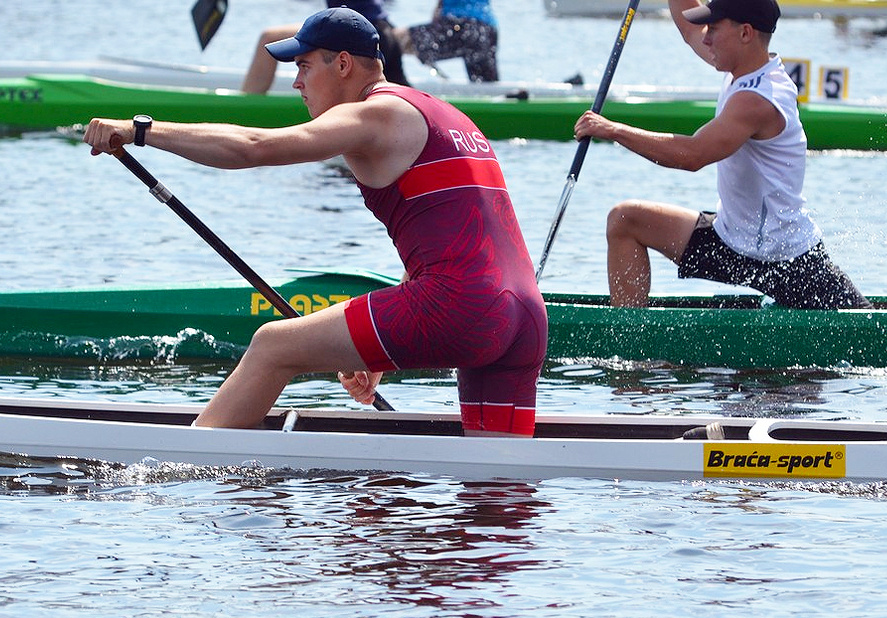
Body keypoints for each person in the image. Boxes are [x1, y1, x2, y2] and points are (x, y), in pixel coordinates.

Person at [85, 7, 546, 436]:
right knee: (499, 491)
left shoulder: (373, 114)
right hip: (524, 317)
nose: (296, 82)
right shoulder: (443, 113)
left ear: (342, 64)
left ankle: (174, 476)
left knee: (273, 346)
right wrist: (381, 348)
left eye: (303, 66)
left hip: (461, 308)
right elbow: (449, 237)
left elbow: (254, 147)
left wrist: (141, 130)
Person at [573, 0, 870, 309]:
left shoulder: (759, 99)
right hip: (731, 240)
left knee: (867, 332)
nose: (706, 38)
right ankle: (629, 341)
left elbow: (692, 155)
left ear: (745, 33)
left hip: (787, 260)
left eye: (714, 29)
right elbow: (690, 30)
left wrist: (612, 130)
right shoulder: (740, 65)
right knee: (624, 220)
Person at [242, 0, 408, 93]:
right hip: (383, 30)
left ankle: (244, 109)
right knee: (404, 92)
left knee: (269, 37)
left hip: (355, 30)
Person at [397, 0, 499, 83]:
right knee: (485, 85)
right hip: (487, 29)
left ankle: (388, 86)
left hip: (460, 27)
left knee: (394, 40)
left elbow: (438, 9)